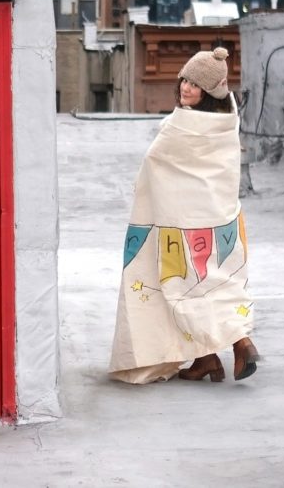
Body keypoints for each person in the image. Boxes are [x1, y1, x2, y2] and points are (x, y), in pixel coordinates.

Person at [109, 46, 259, 384]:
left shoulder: (182, 127)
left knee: (183, 288)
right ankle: (215, 355)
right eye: (184, 80)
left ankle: (234, 344)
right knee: (215, 282)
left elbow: (155, 162)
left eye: (195, 84)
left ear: (209, 92)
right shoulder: (225, 124)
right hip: (222, 220)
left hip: (184, 223)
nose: (185, 88)